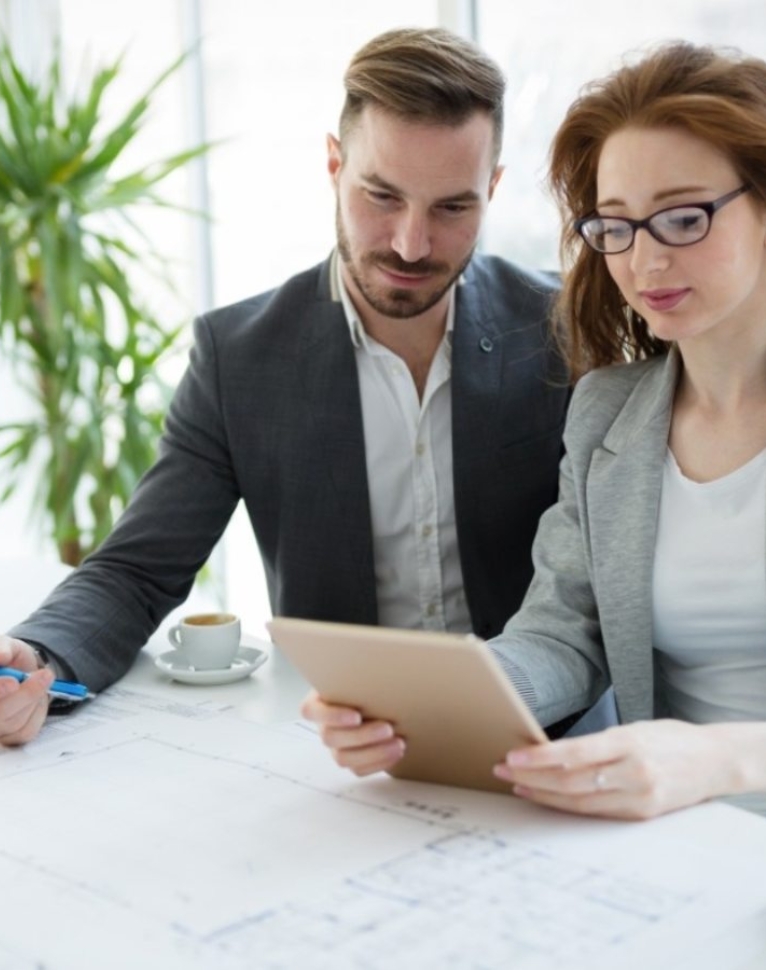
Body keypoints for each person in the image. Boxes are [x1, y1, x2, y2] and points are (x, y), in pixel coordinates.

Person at [0, 27, 569, 746]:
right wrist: (39, 656)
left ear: (492, 190)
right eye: (381, 196)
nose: (410, 243)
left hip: (548, 737)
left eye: (452, 208)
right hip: (343, 754)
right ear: (334, 165)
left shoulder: (561, 329)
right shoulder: (238, 359)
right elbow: (137, 571)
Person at [304, 40, 766, 820]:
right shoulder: (609, 416)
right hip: (679, 850)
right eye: (616, 226)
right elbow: (562, 635)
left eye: (684, 217)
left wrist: (725, 755)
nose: (645, 259)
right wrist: (425, 704)